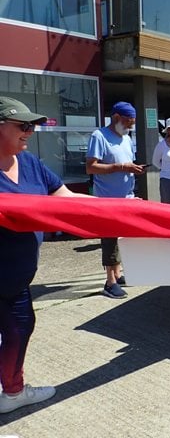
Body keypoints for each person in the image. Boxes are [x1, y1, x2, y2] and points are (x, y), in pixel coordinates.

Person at [0, 97, 88, 413]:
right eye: (23, 126)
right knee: (15, 331)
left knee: (21, 329)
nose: (30, 132)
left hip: (19, 277)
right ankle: (12, 393)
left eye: (32, 126)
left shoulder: (32, 165)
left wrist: (122, 209)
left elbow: (64, 199)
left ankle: (12, 390)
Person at [86, 101, 146, 299]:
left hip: (126, 198)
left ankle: (118, 274)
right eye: (128, 122)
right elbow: (91, 167)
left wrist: (133, 168)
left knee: (122, 238)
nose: (130, 126)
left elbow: (125, 163)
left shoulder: (127, 138)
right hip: (107, 200)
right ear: (116, 118)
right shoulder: (99, 136)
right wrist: (121, 167)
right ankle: (109, 282)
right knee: (110, 240)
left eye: (132, 123)